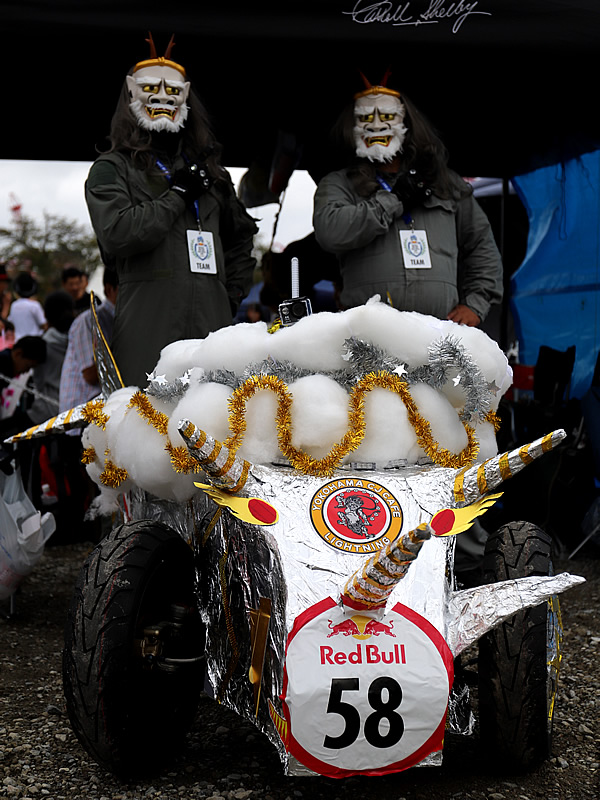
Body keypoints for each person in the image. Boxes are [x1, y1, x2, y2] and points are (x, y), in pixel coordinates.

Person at [85, 34, 257, 387]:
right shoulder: (111, 168)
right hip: (149, 321)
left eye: (173, 90)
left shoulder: (211, 172)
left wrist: (230, 294)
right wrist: (177, 194)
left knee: (219, 423)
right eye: (151, 88)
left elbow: (241, 236)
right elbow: (118, 234)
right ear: (132, 92)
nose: (163, 96)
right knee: (145, 423)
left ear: (187, 97)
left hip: (212, 322)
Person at [313, 73, 503, 327]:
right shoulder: (339, 184)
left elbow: (482, 245)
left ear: (407, 123)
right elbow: (331, 232)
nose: (377, 125)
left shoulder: (446, 182)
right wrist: (392, 201)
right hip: (370, 338)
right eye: (367, 118)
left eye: (387, 117)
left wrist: (475, 305)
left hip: (439, 331)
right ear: (353, 127)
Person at [59, 268, 119, 413]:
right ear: (110, 290)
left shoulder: (116, 319)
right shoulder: (89, 320)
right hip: (81, 413)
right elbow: (90, 375)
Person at [7, 272, 46, 339]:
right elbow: (43, 324)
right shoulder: (35, 305)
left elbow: (10, 322)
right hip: (34, 341)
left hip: (18, 342)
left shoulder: (14, 305)